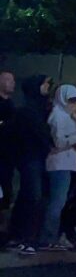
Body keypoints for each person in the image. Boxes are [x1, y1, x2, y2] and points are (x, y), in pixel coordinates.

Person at [6, 75, 52, 255]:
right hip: (30, 158)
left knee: (28, 196)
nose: (47, 87)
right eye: (45, 84)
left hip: (34, 158)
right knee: (33, 197)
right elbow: (40, 134)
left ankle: (19, 236)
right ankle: (25, 238)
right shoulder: (28, 111)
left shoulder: (36, 109)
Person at [39, 84, 76, 251]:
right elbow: (59, 142)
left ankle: (51, 236)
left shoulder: (65, 115)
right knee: (56, 202)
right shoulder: (58, 116)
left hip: (65, 162)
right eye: (71, 100)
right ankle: (48, 238)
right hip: (59, 162)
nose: (74, 103)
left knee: (59, 201)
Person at [0, 70, 15, 222]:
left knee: (7, 188)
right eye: (8, 80)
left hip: (8, 155)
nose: (12, 83)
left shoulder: (11, 104)